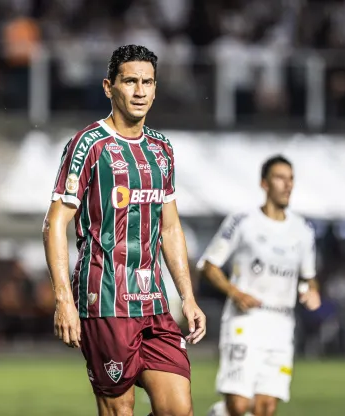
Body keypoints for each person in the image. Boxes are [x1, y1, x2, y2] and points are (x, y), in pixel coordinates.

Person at [42, 44, 206, 416]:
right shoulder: (88, 145)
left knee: (179, 410)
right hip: (105, 299)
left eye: (147, 82)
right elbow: (55, 223)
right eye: (130, 81)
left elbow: (170, 226)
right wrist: (64, 299)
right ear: (108, 87)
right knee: (121, 409)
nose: (140, 91)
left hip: (154, 301)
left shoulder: (162, 149)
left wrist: (188, 296)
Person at [198, 155, 322, 416]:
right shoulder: (242, 221)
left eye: (290, 179)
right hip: (245, 320)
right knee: (239, 406)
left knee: (266, 407)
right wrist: (235, 292)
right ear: (264, 184)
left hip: (281, 324)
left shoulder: (303, 230)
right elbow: (209, 265)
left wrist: (312, 291)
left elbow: (308, 277)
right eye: (280, 178)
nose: (287, 185)